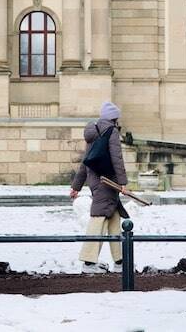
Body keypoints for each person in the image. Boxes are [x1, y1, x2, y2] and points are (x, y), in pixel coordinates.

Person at [69, 101, 128, 272]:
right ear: (114, 118)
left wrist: (77, 186)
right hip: (108, 181)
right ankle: (88, 263)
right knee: (98, 218)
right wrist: (122, 183)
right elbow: (117, 158)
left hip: (97, 181)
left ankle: (120, 262)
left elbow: (85, 163)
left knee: (114, 219)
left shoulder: (94, 132)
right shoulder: (111, 132)